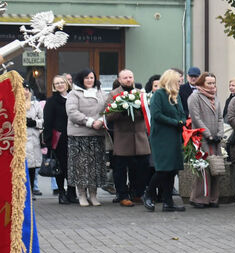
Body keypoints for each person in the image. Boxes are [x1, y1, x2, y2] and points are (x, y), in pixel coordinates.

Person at [142, 69, 187, 212]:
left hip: (174, 136)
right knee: (163, 169)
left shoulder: (176, 96)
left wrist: (183, 121)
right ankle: (148, 194)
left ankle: (168, 202)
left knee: (172, 170)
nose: (180, 84)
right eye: (178, 81)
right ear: (170, 81)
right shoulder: (159, 95)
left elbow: (182, 113)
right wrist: (176, 122)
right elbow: (157, 115)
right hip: (161, 137)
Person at [105, 69, 150, 206]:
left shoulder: (140, 94)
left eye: (130, 77)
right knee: (121, 169)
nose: (128, 80)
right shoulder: (113, 94)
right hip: (123, 137)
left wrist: (140, 111)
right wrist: (122, 112)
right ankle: (122, 195)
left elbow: (148, 112)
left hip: (140, 137)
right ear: (119, 80)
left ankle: (137, 193)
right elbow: (108, 115)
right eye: (125, 78)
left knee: (141, 167)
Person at [65, 69, 107, 207]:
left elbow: (108, 109)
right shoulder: (74, 93)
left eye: (92, 77)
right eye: (87, 78)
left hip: (97, 134)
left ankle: (93, 195)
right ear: (81, 79)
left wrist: (101, 121)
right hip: (79, 135)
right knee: (81, 167)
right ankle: (82, 195)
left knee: (95, 166)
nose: (90, 80)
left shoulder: (100, 92)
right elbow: (72, 112)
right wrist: (89, 122)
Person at [186, 72, 224, 209]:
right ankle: (199, 198)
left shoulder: (216, 97)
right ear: (202, 83)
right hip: (202, 138)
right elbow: (196, 118)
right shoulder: (195, 97)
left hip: (216, 139)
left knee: (216, 168)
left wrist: (220, 133)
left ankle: (213, 198)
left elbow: (220, 117)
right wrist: (208, 134)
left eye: (214, 83)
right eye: (209, 83)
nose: (212, 86)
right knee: (204, 169)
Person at [42, 76, 72, 203]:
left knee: (72, 167)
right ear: (54, 86)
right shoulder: (52, 101)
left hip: (74, 136)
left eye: (62, 82)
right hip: (59, 139)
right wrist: (48, 141)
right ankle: (61, 193)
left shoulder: (73, 98)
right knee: (60, 166)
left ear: (67, 84)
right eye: (56, 83)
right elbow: (47, 122)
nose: (60, 85)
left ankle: (72, 193)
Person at [25, 84, 43, 196]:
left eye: (27, 89)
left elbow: (43, 120)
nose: (25, 91)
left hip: (33, 139)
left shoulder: (36, 104)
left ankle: (31, 191)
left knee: (32, 168)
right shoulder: (13, 103)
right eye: (22, 89)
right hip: (20, 140)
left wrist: (34, 122)